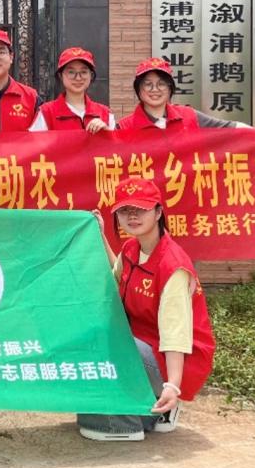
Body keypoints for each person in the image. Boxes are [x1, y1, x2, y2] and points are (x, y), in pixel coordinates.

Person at [79, 177, 215, 441]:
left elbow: (175, 333)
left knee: (107, 342)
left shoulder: (172, 266)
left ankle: (122, 426)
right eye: (125, 210)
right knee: (93, 333)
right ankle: (152, 412)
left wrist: (173, 385)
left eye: (141, 209)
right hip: (145, 346)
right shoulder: (132, 248)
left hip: (178, 359)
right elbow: (117, 277)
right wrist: (100, 235)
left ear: (159, 213)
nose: (132, 216)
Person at [116, 57, 250, 131]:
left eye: (161, 84)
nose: (155, 89)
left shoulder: (189, 116)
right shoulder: (124, 128)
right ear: (138, 90)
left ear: (170, 89)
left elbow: (230, 128)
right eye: (147, 84)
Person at [30, 46, 114, 133]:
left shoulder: (105, 114)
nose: (78, 78)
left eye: (83, 72)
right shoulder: (46, 113)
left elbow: (116, 142)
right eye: (71, 72)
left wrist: (107, 134)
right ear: (60, 76)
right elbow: (34, 141)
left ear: (91, 75)